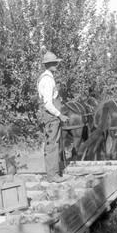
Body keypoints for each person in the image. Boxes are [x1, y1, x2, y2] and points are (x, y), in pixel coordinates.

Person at [37, 51, 69, 182]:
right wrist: (59, 115)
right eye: (55, 63)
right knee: (52, 145)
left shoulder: (45, 77)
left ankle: (52, 173)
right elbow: (48, 103)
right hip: (51, 116)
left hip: (50, 116)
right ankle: (53, 175)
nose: (56, 64)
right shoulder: (48, 80)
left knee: (52, 144)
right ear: (49, 64)